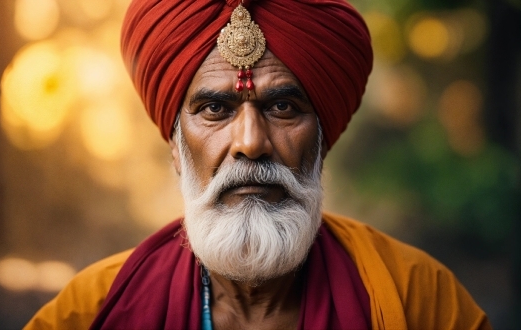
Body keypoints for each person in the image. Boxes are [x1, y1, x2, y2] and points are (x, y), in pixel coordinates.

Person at [25, 0, 492, 329]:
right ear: (176, 148)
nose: (251, 143)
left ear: (322, 140)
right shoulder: (89, 311)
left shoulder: (419, 299)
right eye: (215, 109)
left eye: (283, 108)